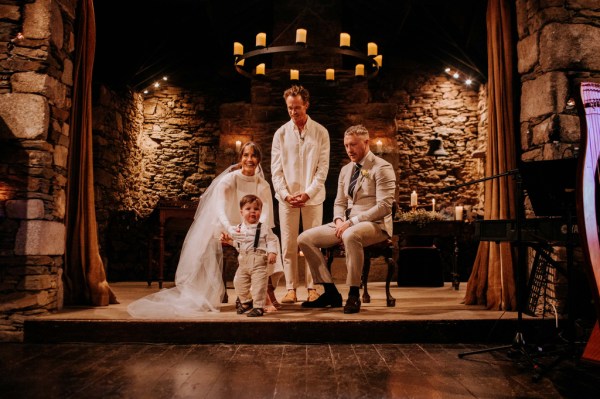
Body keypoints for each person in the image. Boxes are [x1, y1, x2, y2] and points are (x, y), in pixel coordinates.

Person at [128, 142, 282, 318]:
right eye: (246, 155)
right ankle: (231, 295)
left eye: (254, 156)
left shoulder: (262, 184)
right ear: (240, 159)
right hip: (228, 225)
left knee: (271, 240)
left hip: (252, 227)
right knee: (210, 243)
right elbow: (219, 207)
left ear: (259, 160)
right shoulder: (229, 179)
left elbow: (266, 212)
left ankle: (264, 292)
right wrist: (230, 229)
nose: (249, 159)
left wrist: (255, 230)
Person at [297, 125, 396, 314]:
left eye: (353, 145)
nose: (349, 150)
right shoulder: (345, 170)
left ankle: (353, 294)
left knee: (350, 235)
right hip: (347, 223)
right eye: (346, 145)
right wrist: (338, 221)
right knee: (305, 238)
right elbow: (339, 202)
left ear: (366, 143)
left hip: (375, 224)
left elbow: (384, 207)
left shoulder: (382, 167)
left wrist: (352, 222)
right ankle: (330, 291)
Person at [271, 85, 330, 304]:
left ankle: (312, 287)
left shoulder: (321, 132)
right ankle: (290, 288)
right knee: (288, 245)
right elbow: (275, 171)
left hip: (312, 198)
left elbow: (322, 169)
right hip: (286, 199)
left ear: (306, 104)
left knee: (312, 243)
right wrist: (286, 195)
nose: (293, 112)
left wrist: (307, 193)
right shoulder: (280, 134)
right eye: (289, 108)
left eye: (297, 107)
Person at [221, 195, 278, 317]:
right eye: (248, 208)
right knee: (238, 282)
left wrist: (272, 252)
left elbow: (272, 240)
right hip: (243, 260)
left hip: (258, 261)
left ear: (260, 212)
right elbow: (238, 244)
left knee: (259, 286)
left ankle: (258, 307)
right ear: (241, 212)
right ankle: (246, 302)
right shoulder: (238, 228)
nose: (253, 211)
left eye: (256, 209)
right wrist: (228, 241)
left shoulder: (263, 227)